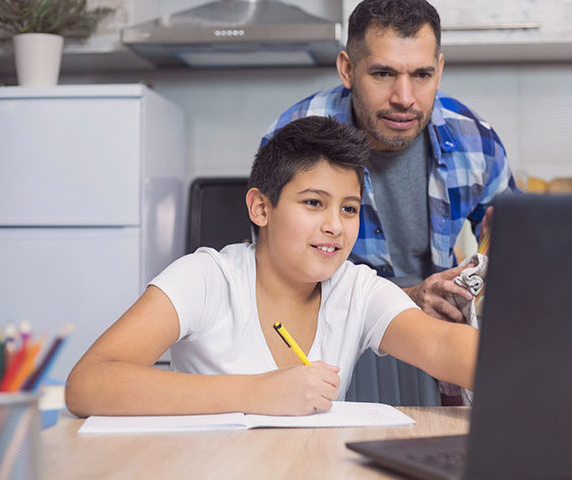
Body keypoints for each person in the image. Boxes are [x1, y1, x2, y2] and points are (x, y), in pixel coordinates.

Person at [65, 117, 477, 417]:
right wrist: (256, 392)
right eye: (314, 203)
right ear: (261, 207)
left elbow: (441, 346)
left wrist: (531, 369)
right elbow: (89, 383)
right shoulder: (205, 278)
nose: (335, 225)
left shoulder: (357, 289)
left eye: (349, 208)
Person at [262, 0, 517, 324]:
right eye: (383, 73)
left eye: (422, 74)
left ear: (439, 71)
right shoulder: (295, 139)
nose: (404, 98)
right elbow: (278, 277)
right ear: (348, 70)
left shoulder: (474, 141)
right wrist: (408, 298)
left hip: (433, 332)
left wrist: (501, 244)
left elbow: (514, 239)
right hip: (328, 333)